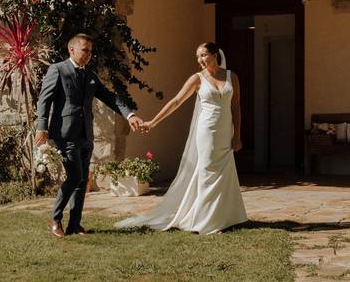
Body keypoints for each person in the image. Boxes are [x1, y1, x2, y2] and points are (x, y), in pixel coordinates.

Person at [116, 42, 248, 234]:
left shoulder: (231, 77)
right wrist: (153, 121)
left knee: (224, 173)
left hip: (225, 132)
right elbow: (176, 101)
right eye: (198, 57)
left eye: (203, 55)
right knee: (208, 172)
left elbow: (236, 107)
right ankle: (206, 221)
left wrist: (237, 136)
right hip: (207, 132)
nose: (200, 60)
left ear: (214, 55)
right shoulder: (197, 79)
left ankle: (226, 217)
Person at [35, 33, 145, 237]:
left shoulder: (90, 76)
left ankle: (74, 225)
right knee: (75, 176)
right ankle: (56, 218)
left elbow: (110, 97)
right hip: (65, 134)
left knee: (82, 179)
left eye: (91, 51)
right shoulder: (57, 70)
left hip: (86, 134)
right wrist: (41, 126)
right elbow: (44, 99)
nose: (89, 55)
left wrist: (130, 115)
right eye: (85, 50)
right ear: (72, 49)